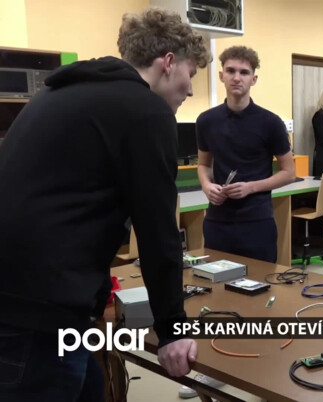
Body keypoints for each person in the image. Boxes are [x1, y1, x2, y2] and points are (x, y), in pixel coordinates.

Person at [0, 7, 211, 401]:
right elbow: (158, 231)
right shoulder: (145, 111)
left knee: (93, 387)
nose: (190, 90)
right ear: (168, 63)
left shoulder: (58, 93)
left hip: (26, 298)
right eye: (191, 73)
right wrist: (172, 330)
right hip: (38, 316)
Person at [181, 45, 295, 398]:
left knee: (258, 296)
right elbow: (203, 164)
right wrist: (206, 186)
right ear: (221, 75)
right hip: (218, 221)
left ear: (254, 79)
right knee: (216, 296)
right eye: (231, 71)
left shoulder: (270, 123)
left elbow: (289, 172)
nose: (237, 78)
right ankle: (217, 369)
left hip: (256, 222)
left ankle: (259, 370)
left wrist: (252, 186)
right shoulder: (207, 121)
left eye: (244, 72)